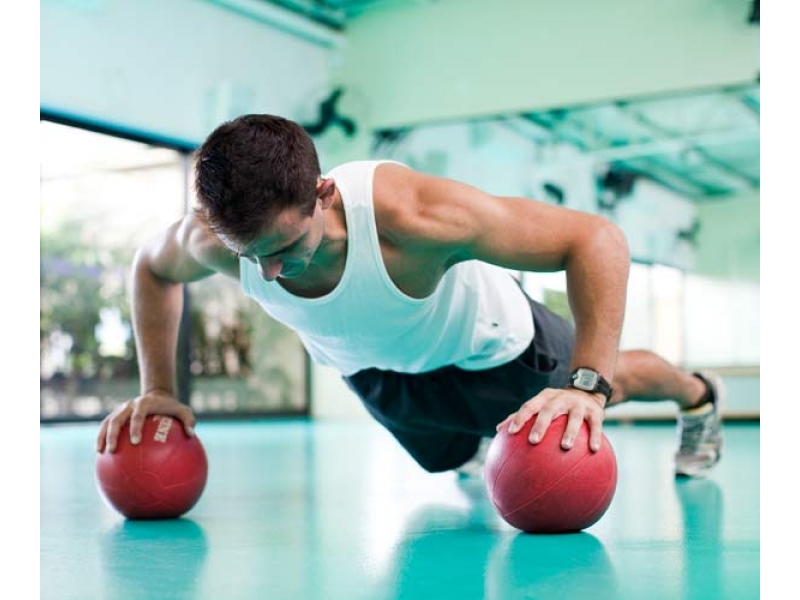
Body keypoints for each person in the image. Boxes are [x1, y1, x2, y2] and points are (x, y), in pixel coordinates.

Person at [96, 114, 723, 479]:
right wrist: (160, 390)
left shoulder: (414, 216)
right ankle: (481, 439)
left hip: (495, 351)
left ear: (323, 194)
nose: (277, 273)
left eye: (289, 248)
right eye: (254, 257)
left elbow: (596, 239)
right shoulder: (213, 240)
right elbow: (151, 270)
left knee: (611, 383)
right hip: (379, 375)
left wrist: (587, 384)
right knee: (443, 461)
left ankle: (698, 396)